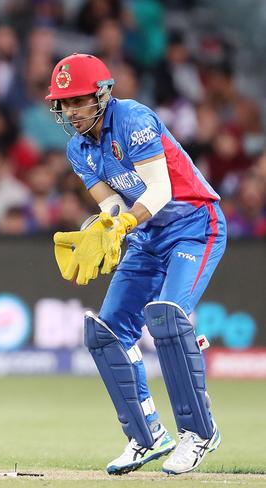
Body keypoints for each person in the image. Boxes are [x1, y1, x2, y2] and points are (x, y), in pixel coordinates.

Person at [48, 54, 225, 475]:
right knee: (105, 332)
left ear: (102, 95)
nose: (72, 111)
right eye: (65, 103)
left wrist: (125, 222)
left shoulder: (133, 118)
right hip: (147, 236)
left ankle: (199, 433)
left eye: (79, 100)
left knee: (167, 318)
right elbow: (112, 202)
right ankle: (147, 437)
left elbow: (160, 189)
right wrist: (104, 226)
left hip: (195, 225)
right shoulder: (79, 148)